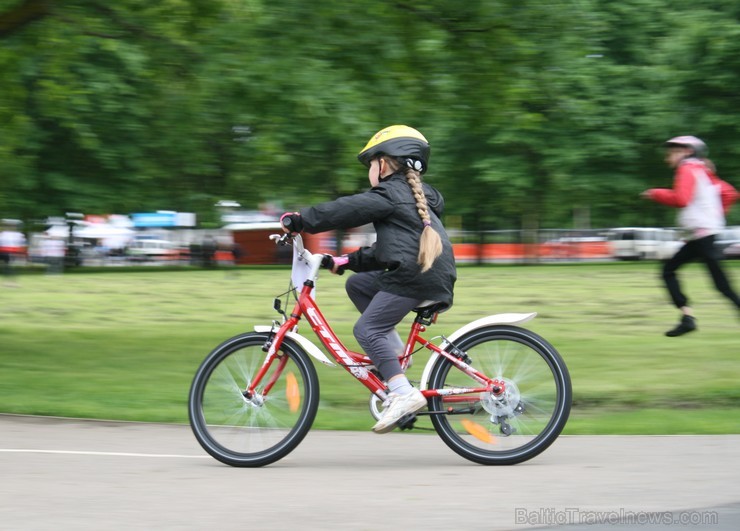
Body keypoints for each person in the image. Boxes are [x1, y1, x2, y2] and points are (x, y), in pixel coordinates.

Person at [280, 125, 457, 433]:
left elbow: (347, 209)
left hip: (415, 277)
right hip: (426, 274)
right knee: (358, 285)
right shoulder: (416, 198)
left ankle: (402, 392)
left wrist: (301, 220)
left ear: (384, 163)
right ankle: (396, 359)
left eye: (370, 164)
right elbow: (392, 250)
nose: (369, 172)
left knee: (367, 328)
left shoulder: (390, 192)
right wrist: (346, 261)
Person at [642, 135, 740, 337]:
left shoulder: (687, 169)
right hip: (702, 236)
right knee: (715, 283)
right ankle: (687, 319)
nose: (667, 158)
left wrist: (654, 193)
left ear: (686, 151)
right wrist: (713, 218)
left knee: (718, 284)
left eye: (671, 153)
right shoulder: (703, 171)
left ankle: (688, 318)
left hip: (702, 236)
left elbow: (681, 199)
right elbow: (730, 194)